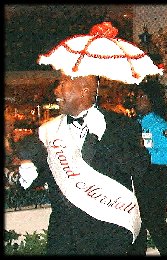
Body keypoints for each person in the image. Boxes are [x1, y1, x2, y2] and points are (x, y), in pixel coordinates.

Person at [15, 73, 151, 255]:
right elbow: (44, 173)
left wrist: (106, 138)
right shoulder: (49, 131)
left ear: (84, 91)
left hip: (109, 234)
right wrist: (30, 173)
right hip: (65, 236)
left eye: (63, 84)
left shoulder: (121, 126)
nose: (56, 90)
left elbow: (140, 168)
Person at [128, 76, 167, 256]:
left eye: (142, 96)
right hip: (137, 179)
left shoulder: (160, 126)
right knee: (137, 227)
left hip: (154, 180)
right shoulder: (135, 124)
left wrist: (143, 153)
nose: (138, 100)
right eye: (137, 96)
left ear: (153, 100)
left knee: (156, 225)